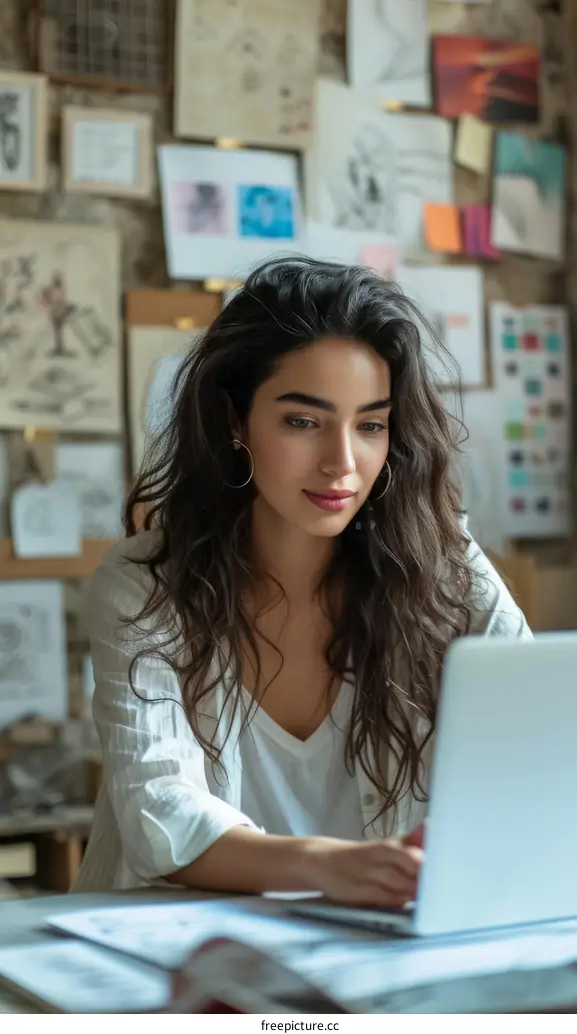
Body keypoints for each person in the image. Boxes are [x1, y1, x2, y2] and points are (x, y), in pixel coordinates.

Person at [74, 257, 532, 903]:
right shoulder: (145, 586)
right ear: (236, 421)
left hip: (378, 966)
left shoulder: (445, 573)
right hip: (178, 973)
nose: (342, 462)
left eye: (371, 424)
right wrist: (325, 864)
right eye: (303, 421)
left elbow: (544, 735)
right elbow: (160, 813)